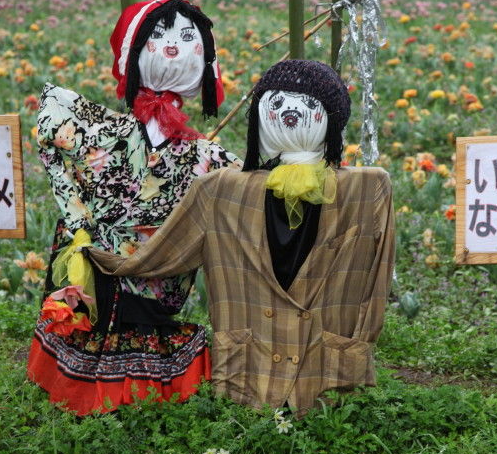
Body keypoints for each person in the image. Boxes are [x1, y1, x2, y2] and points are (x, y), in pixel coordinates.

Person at [87, 59, 395, 418]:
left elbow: (378, 279)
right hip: (249, 372)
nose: (292, 113)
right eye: (277, 103)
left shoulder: (368, 189)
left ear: (332, 116)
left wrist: (359, 346)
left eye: (308, 104)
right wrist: (97, 257)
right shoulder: (220, 190)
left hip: (326, 375)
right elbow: (163, 255)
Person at [27, 0, 240, 415]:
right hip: (101, 263)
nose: (173, 47)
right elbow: (52, 137)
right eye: (159, 36)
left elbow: (242, 188)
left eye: (187, 38)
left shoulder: (203, 155)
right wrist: (77, 221)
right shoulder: (105, 133)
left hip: (159, 270)